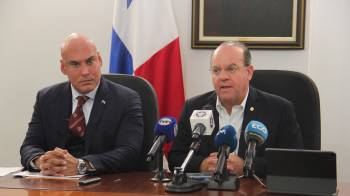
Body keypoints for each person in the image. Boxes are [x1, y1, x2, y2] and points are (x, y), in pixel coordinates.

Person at [168, 41, 303, 177]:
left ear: (249, 72)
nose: (222, 77)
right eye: (216, 70)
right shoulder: (193, 107)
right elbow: (175, 158)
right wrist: (201, 164)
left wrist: (247, 166)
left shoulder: (279, 109)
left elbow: (293, 162)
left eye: (231, 69)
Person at [20, 33, 144, 176]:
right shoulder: (46, 98)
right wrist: (42, 161)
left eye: (90, 61)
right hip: (54, 186)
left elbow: (129, 152)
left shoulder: (126, 99)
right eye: (75, 64)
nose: (85, 72)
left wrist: (82, 166)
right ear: (63, 67)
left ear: (100, 60)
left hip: (105, 186)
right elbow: (30, 145)